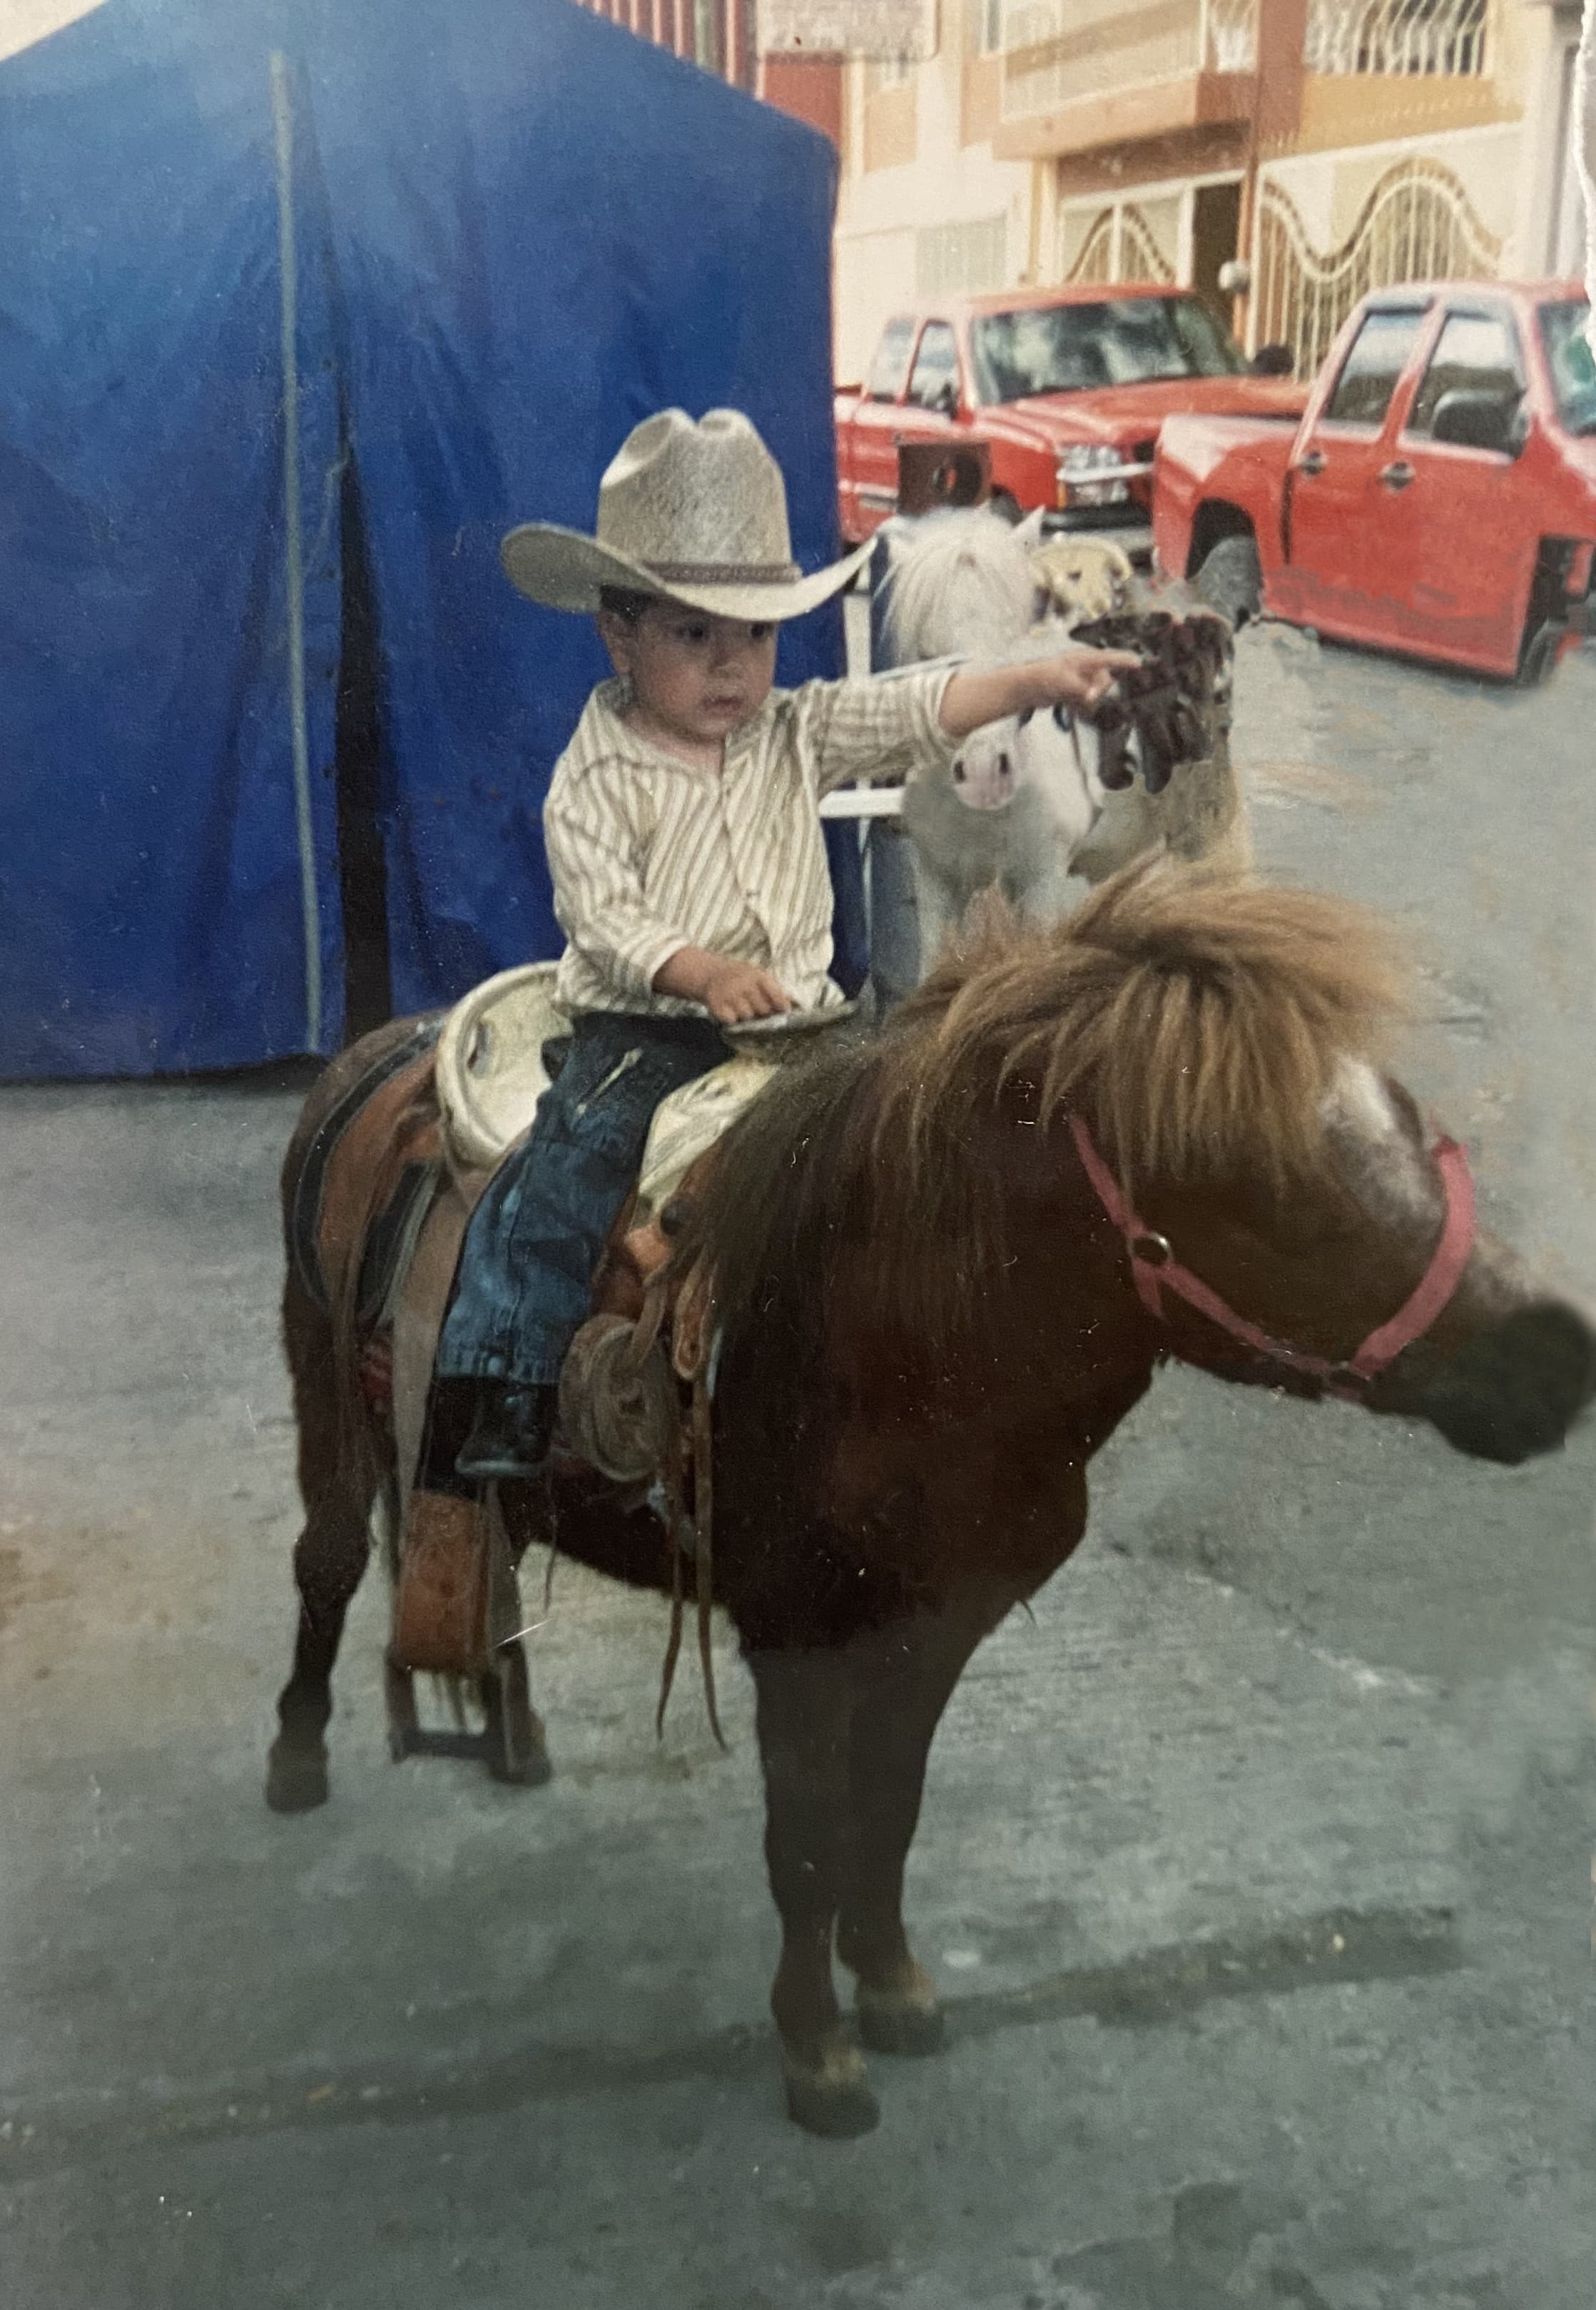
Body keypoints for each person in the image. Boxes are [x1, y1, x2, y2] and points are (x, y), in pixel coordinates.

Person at [417, 407, 1138, 1496]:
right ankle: (510, 1377)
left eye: (753, 636)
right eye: (693, 635)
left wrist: (1035, 679)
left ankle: (922, 1359)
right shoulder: (599, 770)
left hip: (805, 1032)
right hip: (652, 1029)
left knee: (918, 1140)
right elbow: (605, 914)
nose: (731, 668)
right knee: (567, 1166)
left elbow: (908, 707)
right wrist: (698, 971)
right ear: (619, 635)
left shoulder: (792, 732)